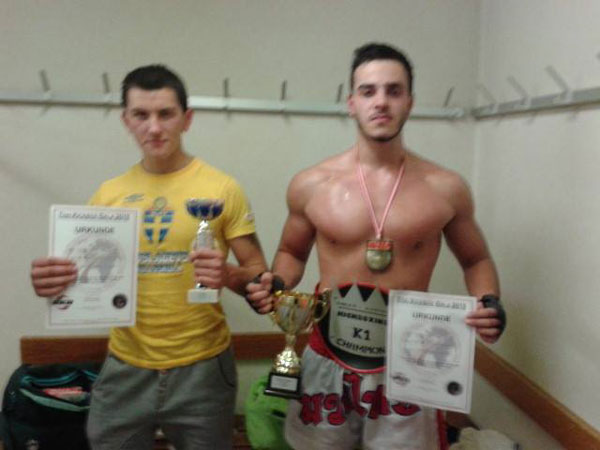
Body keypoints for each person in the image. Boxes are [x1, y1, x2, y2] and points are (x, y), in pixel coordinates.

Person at [246, 43, 505, 450]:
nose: (381, 101)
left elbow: (476, 259)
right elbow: (292, 254)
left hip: (410, 361)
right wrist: (275, 283)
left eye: (393, 91)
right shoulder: (312, 185)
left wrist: (489, 302)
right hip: (328, 354)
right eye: (368, 91)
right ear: (351, 103)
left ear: (410, 102)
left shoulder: (445, 187)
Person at [30, 65, 268, 449]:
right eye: (141, 115)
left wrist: (226, 275)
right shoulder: (109, 195)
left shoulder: (223, 188)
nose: (154, 128)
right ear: (126, 120)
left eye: (165, 114)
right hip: (126, 364)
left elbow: (259, 275)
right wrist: (55, 283)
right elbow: (84, 276)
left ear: (187, 119)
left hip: (203, 366)